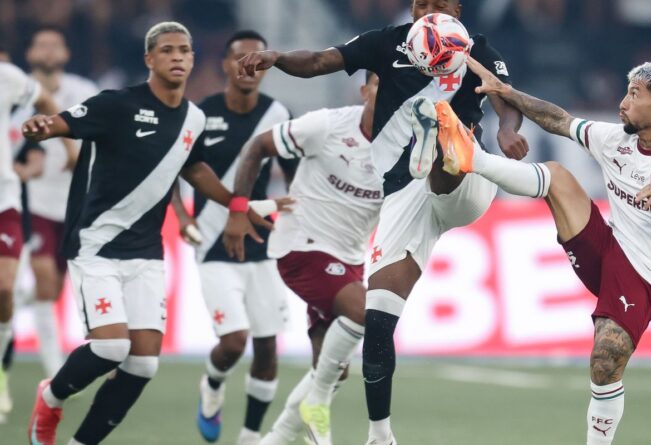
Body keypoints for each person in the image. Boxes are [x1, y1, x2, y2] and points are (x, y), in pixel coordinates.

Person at [231, 2, 527, 443]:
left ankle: (438, 135)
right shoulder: (387, 43)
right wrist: (277, 58)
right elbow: (320, 61)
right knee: (378, 316)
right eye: (420, 4)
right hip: (403, 195)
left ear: (457, 9)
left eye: (438, 4)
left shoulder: (478, 50)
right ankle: (379, 434)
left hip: (466, 177)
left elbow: (504, 99)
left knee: (452, 151)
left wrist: (506, 130)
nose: (427, 11)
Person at [450, 57, 651, 444]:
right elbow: (558, 120)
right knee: (557, 176)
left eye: (634, 95)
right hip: (606, 246)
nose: (623, 103)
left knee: (604, 362)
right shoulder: (615, 139)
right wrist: (506, 92)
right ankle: (473, 159)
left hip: (644, 274)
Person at [22, 21, 273, 445]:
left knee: (142, 365)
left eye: (184, 50)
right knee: (111, 348)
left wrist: (238, 204)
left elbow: (194, 169)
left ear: (192, 60)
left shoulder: (194, 118)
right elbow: (63, 122)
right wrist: (44, 127)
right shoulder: (116, 104)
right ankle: (51, 397)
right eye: (167, 50)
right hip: (96, 244)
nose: (177, 57)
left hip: (146, 253)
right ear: (149, 59)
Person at [227, 71, 382, 445]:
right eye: (382, 84)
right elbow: (257, 147)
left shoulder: (405, 145)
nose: (392, 93)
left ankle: (276, 439)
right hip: (302, 247)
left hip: (349, 259)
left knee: (331, 368)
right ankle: (318, 408)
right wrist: (239, 208)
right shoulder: (327, 125)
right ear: (364, 91)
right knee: (367, 312)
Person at [170, 30, 295, 445]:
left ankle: (250, 436)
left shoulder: (279, 113)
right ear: (225, 65)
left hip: (261, 243)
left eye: (257, 58)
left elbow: (295, 172)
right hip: (212, 242)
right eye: (240, 57)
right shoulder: (199, 115)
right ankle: (212, 382)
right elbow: (171, 168)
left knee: (267, 347)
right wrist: (182, 215)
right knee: (234, 342)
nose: (248, 66)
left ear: (267, 66)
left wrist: (298, 213)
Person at [19, 26, 99, 379]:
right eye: (42, 44)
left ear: (66, 54)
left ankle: (13, 302)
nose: (49, 50)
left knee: (51, 290)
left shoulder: (84, 92)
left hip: (75, 203)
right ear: (30, 53)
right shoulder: (15, 92)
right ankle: (54, 369)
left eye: (56, 45)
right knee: (44, 278)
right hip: (31, 201)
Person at [0, 59, 60, 425]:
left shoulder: (7, 79)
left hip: (5, 202)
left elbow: (46, 103)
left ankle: (0, 372)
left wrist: (63, 139)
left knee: (5, 290)